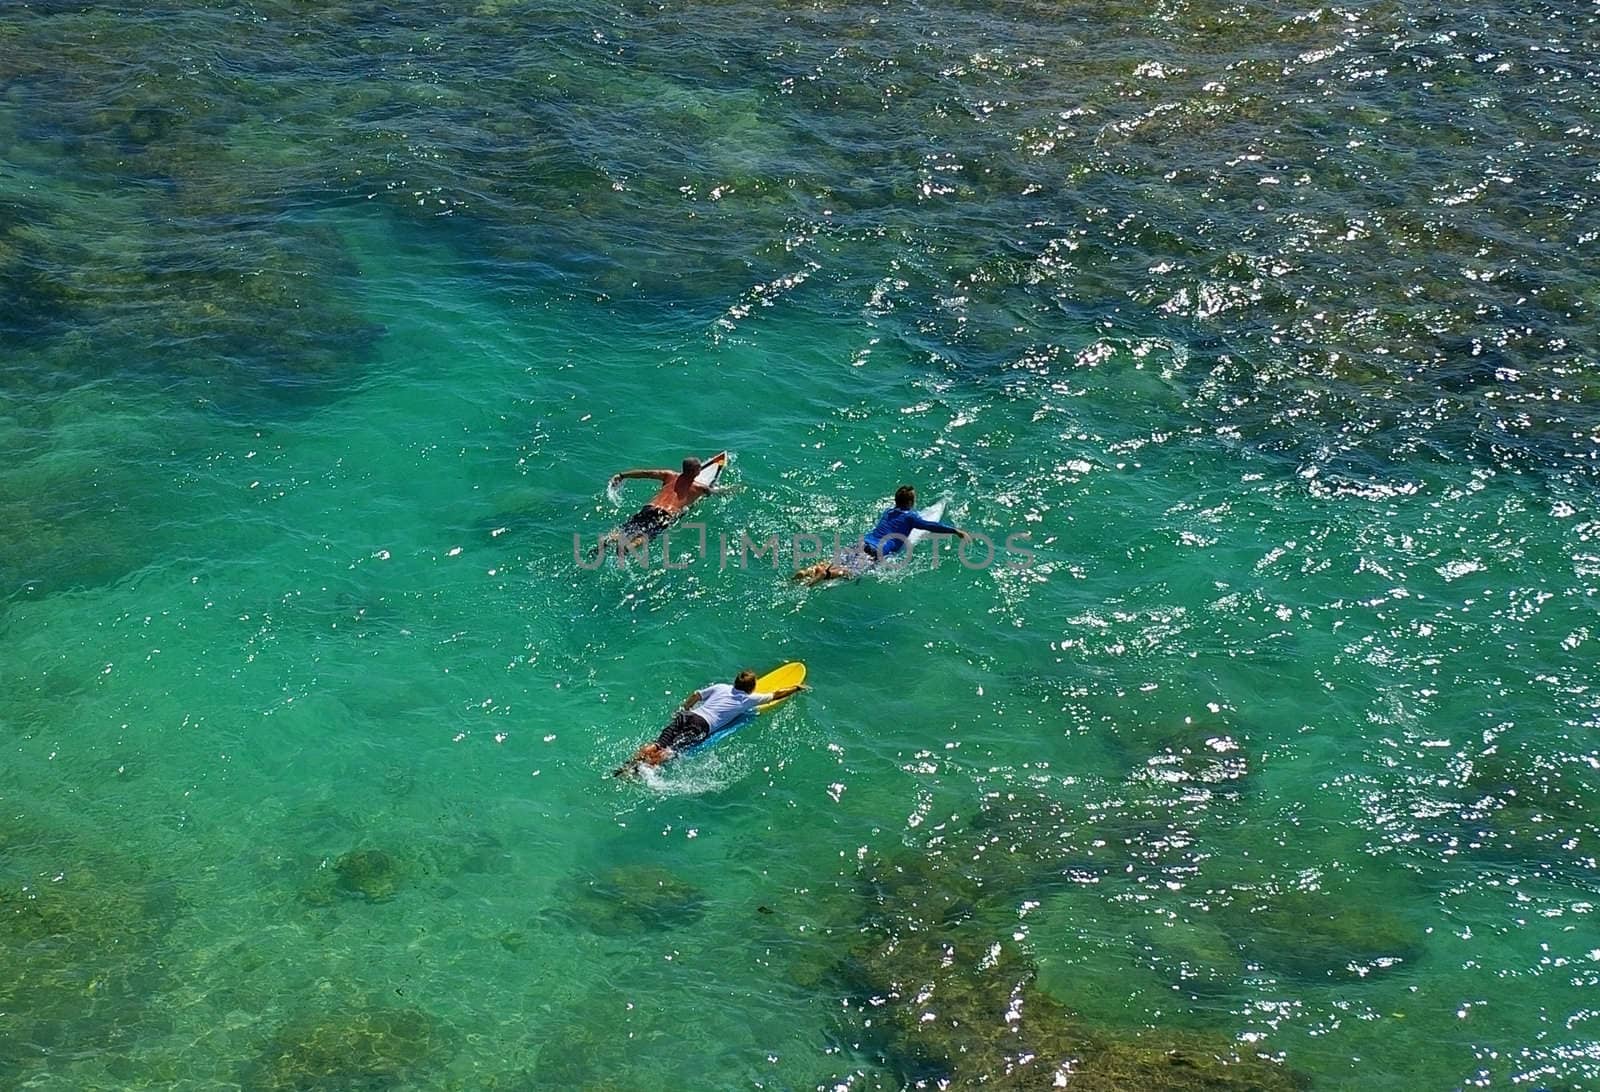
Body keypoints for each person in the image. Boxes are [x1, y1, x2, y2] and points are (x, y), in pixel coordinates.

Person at [613, 669, 806, 776]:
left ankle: (630, 763)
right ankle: (642, 771)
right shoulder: (749, 699)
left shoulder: (721, 687)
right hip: (702, 726)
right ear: (752, 688)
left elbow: (697, 695)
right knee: (672, 751)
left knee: (659, 743)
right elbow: (775, 695)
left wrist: (684, 709)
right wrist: (795, 688)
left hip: (688, 716)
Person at [793, 484, 966, 585]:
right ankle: (827, 574)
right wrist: (954, 531)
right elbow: (931, 526)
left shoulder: (888, 512)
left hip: (862, 542)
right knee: (849, 572)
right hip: (876, 551)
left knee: (834, 561)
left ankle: (809, 570)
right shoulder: (912, 517)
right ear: (911, 503)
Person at [597, 455, 719, 556]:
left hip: (650, 507)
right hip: (666, 514)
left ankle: (606, 541)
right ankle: (629, 547)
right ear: (696, 471)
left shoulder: (669, 475)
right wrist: (731, 489)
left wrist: (622, 475)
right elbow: (718, 493)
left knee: (627, 528)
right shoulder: (700, 488)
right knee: (648, 535)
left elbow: (646, 473)